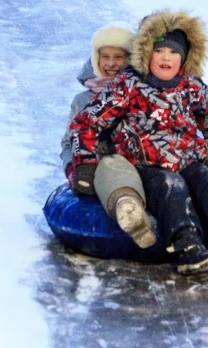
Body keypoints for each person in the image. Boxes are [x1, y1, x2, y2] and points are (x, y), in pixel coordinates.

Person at [69, 9, 208, 274]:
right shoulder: (128, 86)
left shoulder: (190, 86)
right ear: (144, 54)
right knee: (171, 187)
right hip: (147, 166)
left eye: (174, 52)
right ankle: (188, 245)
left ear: (184, 58)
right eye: (159, 51)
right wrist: (84, 162)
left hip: (187, 160)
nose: (166, 57)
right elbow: (88, 122)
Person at [60, 22, 157, 250]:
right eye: (105, 56)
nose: (111, 64)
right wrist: (72, 167)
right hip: (98, 169)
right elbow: (68, 142)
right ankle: (129, 214)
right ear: (96, 58)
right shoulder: (83, 101)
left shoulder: (143, 93)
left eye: (119, 57)